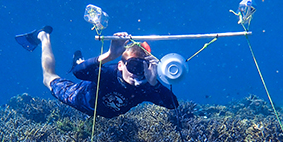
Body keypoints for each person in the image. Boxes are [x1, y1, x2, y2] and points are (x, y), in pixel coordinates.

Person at [16, 26, 178, 118]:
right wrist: (109, 55)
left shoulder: (146, 88)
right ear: (120, 65)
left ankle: (79, 58)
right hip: (78, 98)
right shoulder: (108, 73)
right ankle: (43, 37)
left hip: (102, 109)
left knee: (84, 66)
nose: (137, 73)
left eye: (142, 67)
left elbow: (172, 104)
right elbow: (78, 73)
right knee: (48, 78)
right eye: (133, 66)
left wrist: (155, 83)